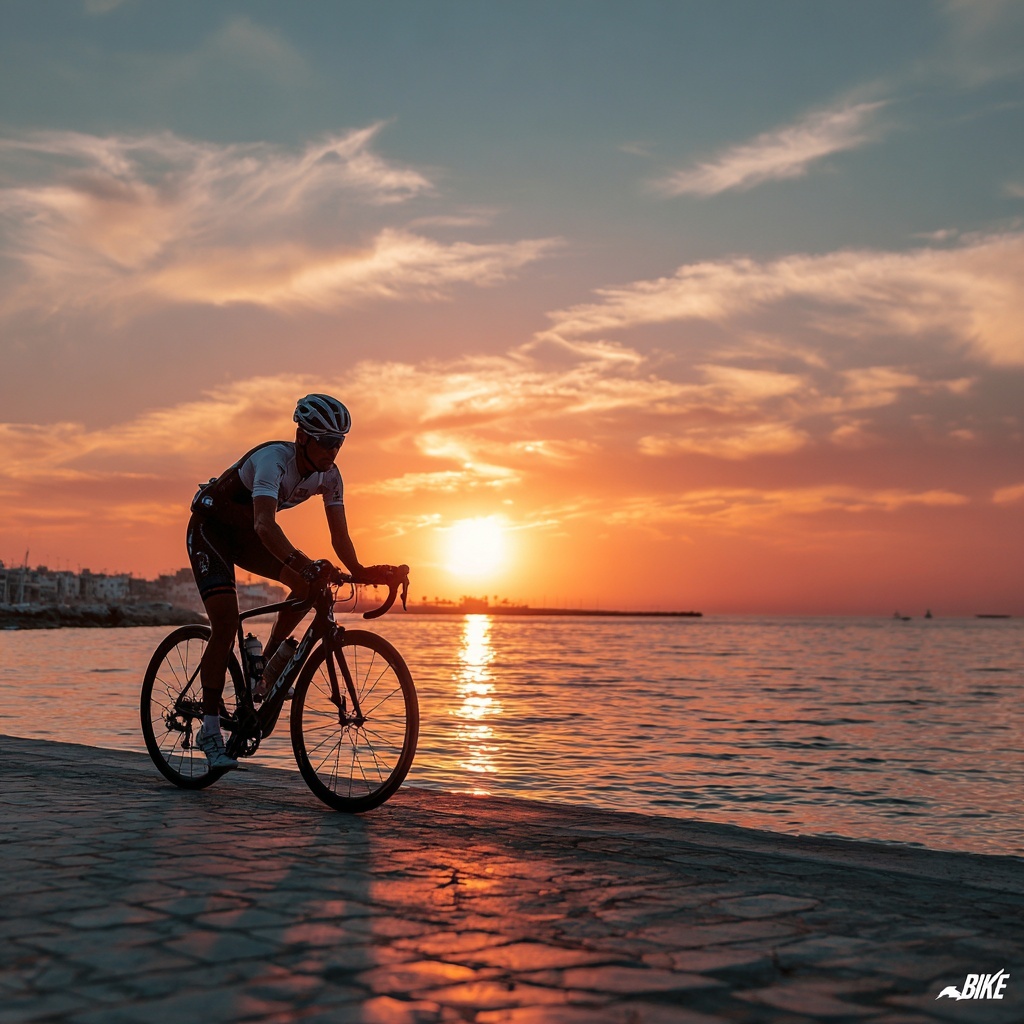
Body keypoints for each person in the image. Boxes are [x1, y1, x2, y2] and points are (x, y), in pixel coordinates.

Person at [186, 394, 366, 769]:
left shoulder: (330, 477)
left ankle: (263, 672)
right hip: (212, 529)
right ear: (302, 437)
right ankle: (210, 728)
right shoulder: (273, 461)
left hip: (249, 535)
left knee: (305, 587)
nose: (333, 450)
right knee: (224, 623)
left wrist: (364, 571)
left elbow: (339, 539)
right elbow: (265, 524)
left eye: (340, 443)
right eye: (326, 441)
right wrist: (304, 562)